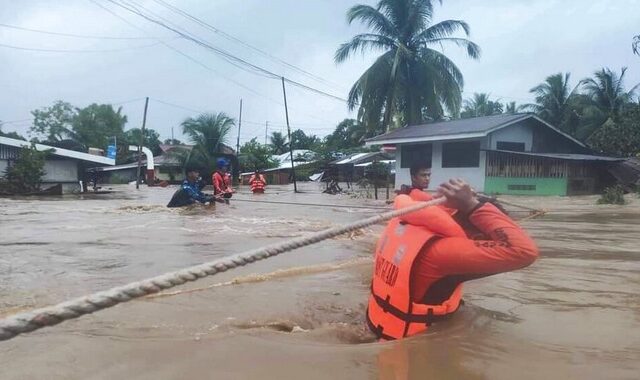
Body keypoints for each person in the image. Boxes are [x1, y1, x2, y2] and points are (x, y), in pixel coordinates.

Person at [366, 178, 539, 340]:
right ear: (479, 236)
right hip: (415, 345)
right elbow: (523, 251)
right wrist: (472, 205)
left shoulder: (415, 229)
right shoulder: (443, 253)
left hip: (378, 327)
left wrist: (468, 202)